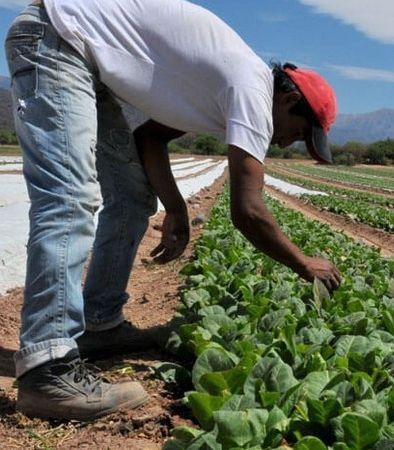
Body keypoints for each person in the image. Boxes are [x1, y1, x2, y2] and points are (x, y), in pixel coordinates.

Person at [5, 0, 342, 421]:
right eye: (298, 133)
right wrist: (304, 264)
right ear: (289, 98)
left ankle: (99, 325)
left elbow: (149, 138)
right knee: (69, 195)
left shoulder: (224, 88)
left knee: (130, 199)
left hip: (83, 57)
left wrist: (177, 208)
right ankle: (46, 369)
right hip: (57, 39)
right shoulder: (252, 88)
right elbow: (248, 210)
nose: (287, 143)